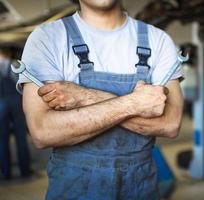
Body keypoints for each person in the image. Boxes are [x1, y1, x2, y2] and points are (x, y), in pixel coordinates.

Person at [18, 0, 183, 199]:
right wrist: (135, 103)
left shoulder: (158, 40)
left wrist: (85, 96)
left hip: (141, 186)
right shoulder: (47, 39)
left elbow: (170, 124)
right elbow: (43, 132)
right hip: (74, 188)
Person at [0, 46, 31, 180]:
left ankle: (6, 172)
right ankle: (25, 170)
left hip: (1, 105)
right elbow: (21, 84)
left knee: (2, 139)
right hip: (16, 104)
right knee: (21, 137)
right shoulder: (14, 65)